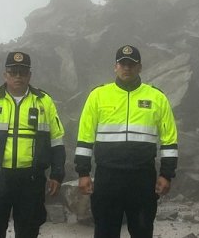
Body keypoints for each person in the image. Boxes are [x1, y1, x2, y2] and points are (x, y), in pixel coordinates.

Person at [75, 45, 179, 238]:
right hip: (108, 178)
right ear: (115, 67)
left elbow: (169, 140)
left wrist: (166, 174)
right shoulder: (98, 95)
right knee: (105, 232)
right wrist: (83, 173)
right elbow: (85, 137)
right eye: (122, 64)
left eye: (131, 64)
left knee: (142, 232)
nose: (127, 68)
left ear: (140, 67)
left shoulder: (157, 97)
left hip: (142, 179)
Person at [0, 51, 65, 238]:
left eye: (23, 72)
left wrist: (57, 174)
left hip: (31, 181)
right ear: (5, 74)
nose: (18, 76)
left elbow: (56, 141)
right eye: (13, 71)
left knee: (28, 232)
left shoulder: (44, 102)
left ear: (29, 75)